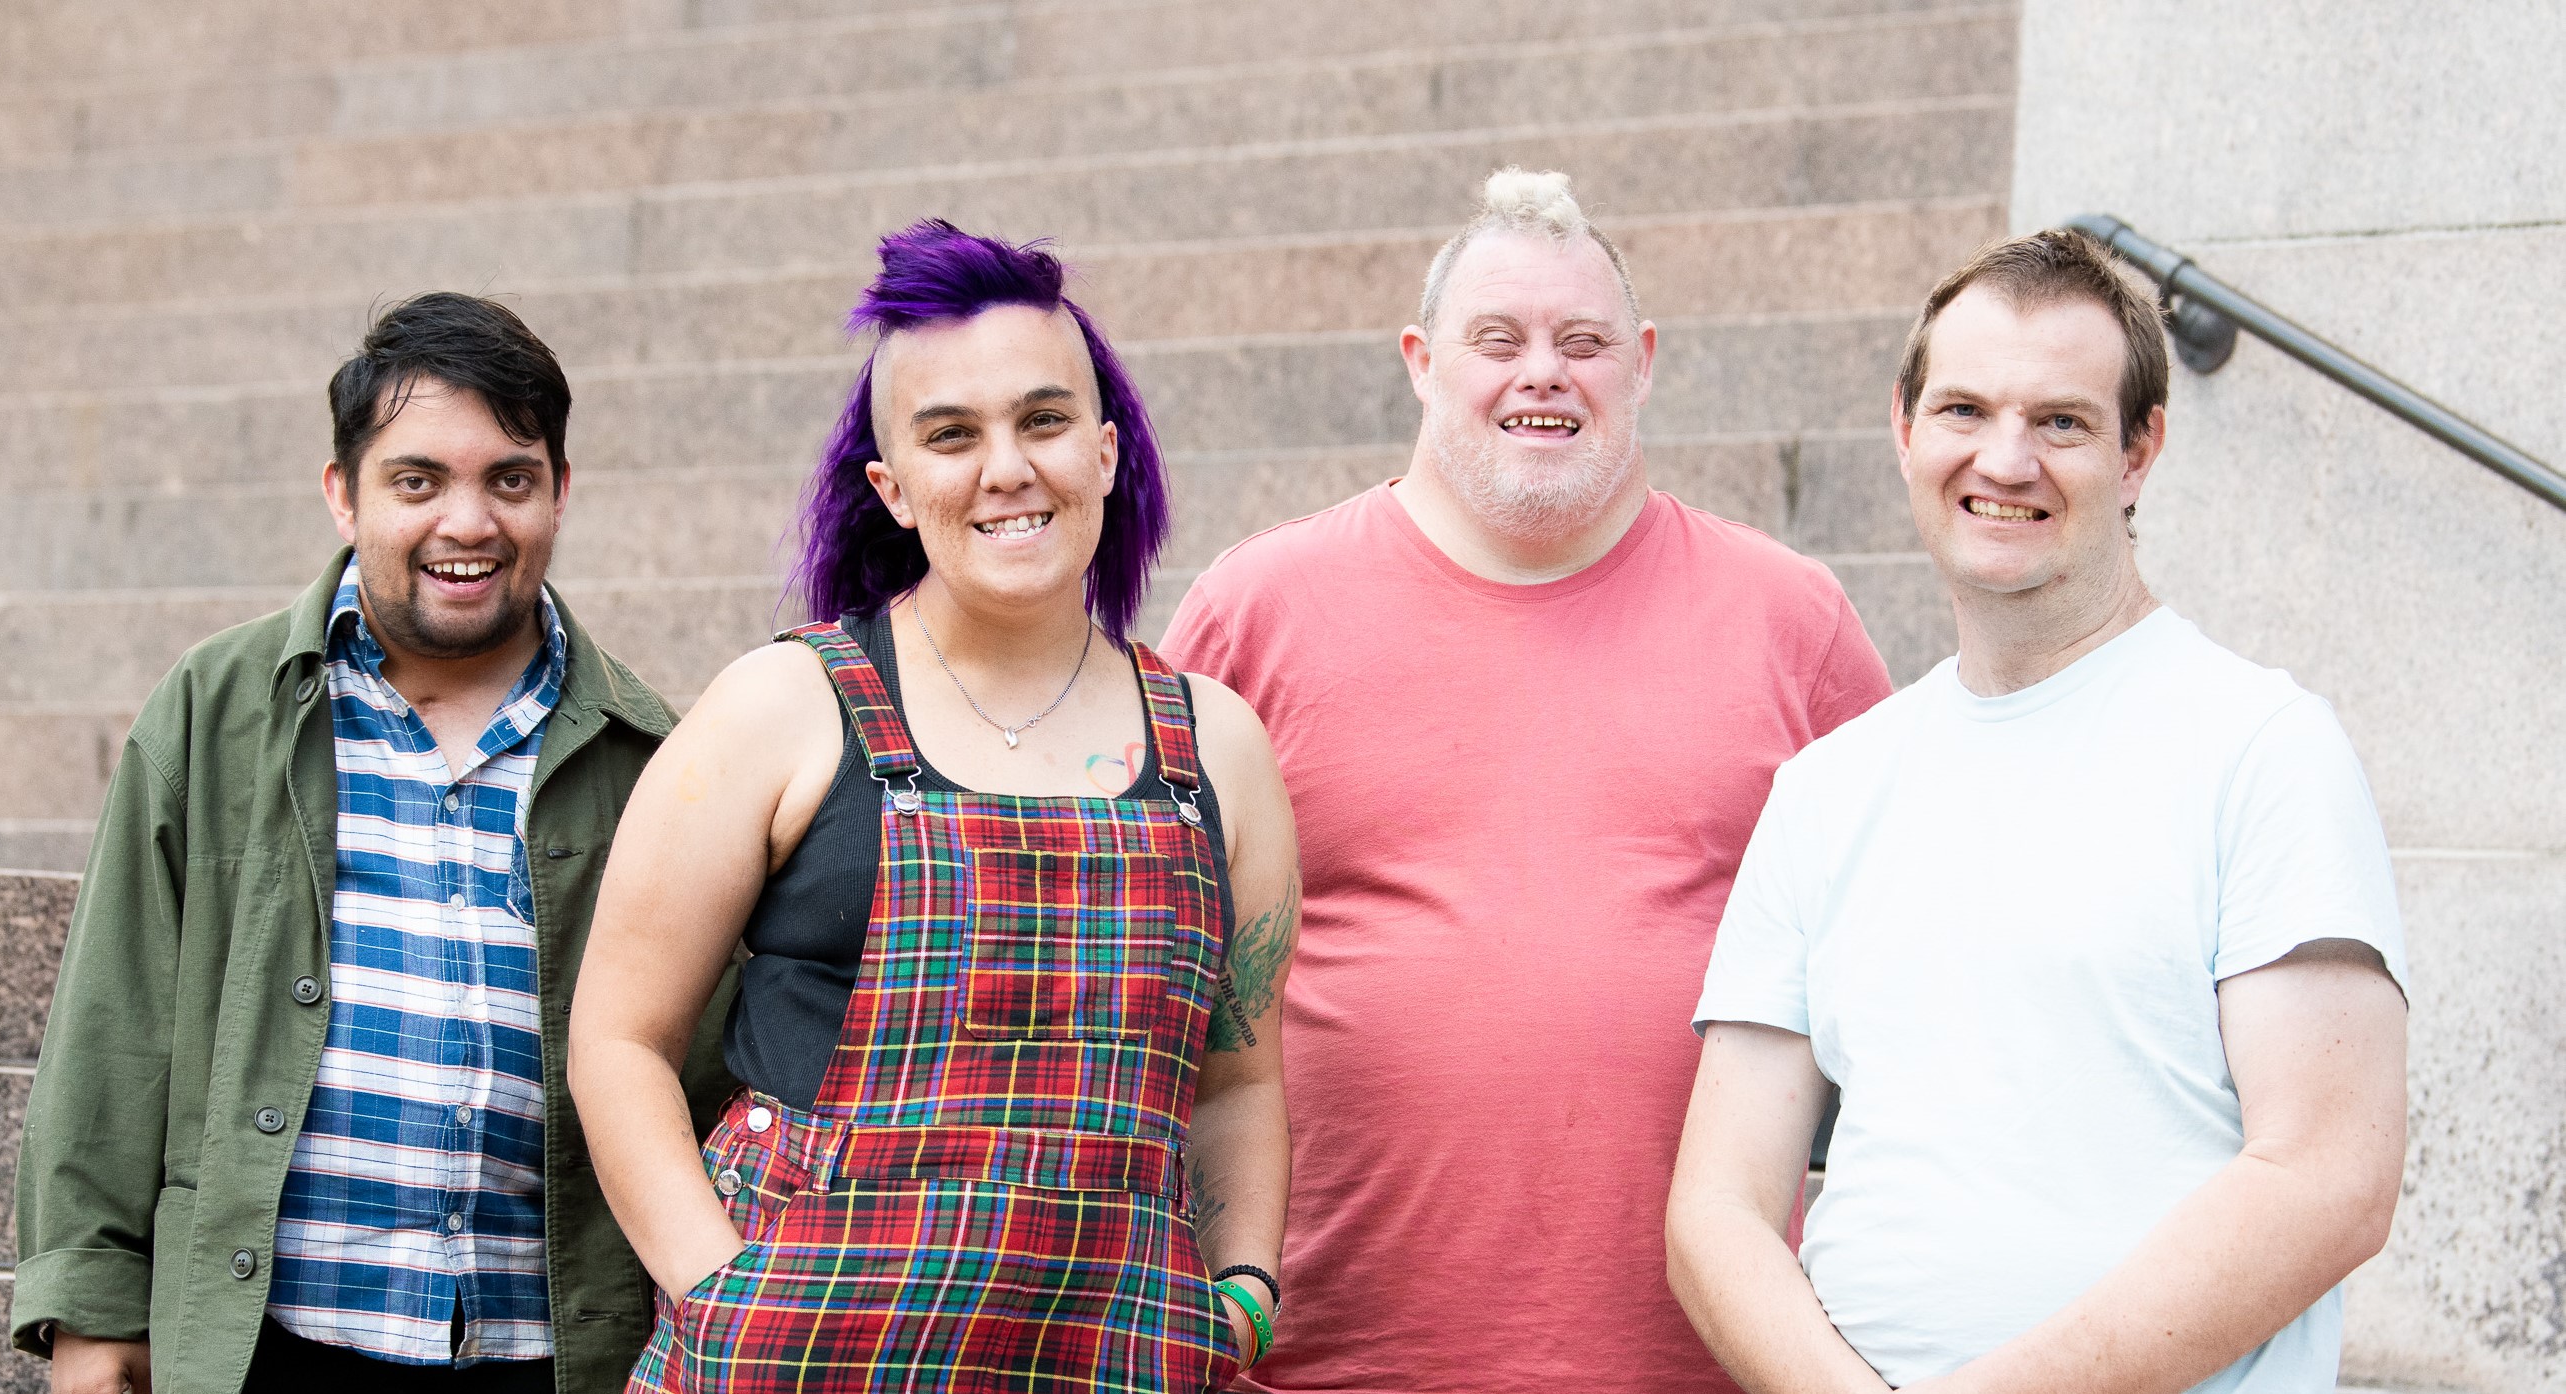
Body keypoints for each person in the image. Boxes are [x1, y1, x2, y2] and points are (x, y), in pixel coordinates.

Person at [1158, 169, 1892, 1392]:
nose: (1542, 372)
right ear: (1420, 360)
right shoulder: (1256, 611)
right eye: (1496, 339)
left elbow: (1912, 963)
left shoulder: (1792, 620)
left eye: (1584, 342)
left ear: (1642, 362)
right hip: (1326, 1349)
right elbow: (1144, 957)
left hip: (1701, 1354)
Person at [1666, 228, 2410, 1394]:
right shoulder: (1828, 789)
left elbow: (2329, 1176)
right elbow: (1717, 1205)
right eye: (1964, 410)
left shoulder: (2260, 746)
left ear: (2139, 450)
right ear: (1904, 427)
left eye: (2060, 420)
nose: (2003, 459)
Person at [569, 220, 1297, 1394]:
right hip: (792, 1363)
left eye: (1043, 419)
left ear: (1106, 452)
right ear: (893, 487)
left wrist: (1244, 1296)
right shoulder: (784, 706)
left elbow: (1241, 1077)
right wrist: (722, 1298)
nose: (1006, 468)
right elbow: (618, 1037)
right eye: (951, 436)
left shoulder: (1219, 747)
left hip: (1107, 1359)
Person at [9, 293, 736, 1393]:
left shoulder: (652, 756)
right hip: (272, 1342)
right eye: (418, 479)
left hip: (543, 1350)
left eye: (510, 477)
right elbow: (112, 1029)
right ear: (343, 494)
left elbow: (705, 1076)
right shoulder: (216, 711)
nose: (469, 521)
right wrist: (90, 1312)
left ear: (559, 494)